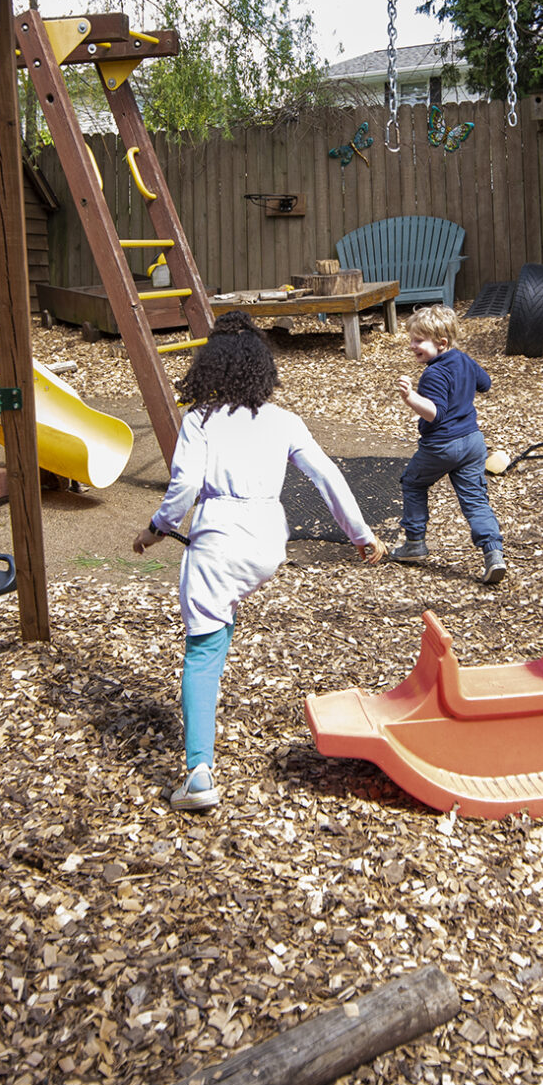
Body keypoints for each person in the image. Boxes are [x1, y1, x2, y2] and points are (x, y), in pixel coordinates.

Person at [134, 311, 384, 810]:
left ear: (210, 368)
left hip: (219, 537)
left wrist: (158, 528)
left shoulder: (199, 420)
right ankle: (213, 662)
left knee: (201, 650)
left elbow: (184, 486)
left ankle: (200, 776)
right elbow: (326, 476)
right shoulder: (283, 421)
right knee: (218, 615)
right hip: (268, 542)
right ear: (261, 369)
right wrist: (361, 533)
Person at [391, 304, 504, 585]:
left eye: (419, 341)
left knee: (414, 483)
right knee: (476, 500)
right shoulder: (463, 360)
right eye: (412, 339)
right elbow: (486, 383)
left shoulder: (433, 373)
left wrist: (411, 398)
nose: (412, 345)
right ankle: (494, 554)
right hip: (473, 442)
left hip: (442, 445)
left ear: (441, 343)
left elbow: (435, 413)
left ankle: (414, 543)